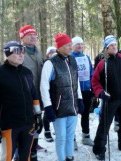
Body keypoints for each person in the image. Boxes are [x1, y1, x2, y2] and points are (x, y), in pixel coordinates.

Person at [91, 35, 121, 161]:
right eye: (111, 45)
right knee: (104, 125)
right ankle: (99, 149)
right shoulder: (103, 64)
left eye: (115, 45)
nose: (114, 47)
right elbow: (95, 82)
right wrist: (100, 93)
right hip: (110, 99)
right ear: (106, 48)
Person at [0, 41, 42, 161]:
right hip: (9, 125)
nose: (21, 55)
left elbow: (34, 96)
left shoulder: (27, 72)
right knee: (7, 157)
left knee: (26, 156)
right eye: (17, 51)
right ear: (7, 54)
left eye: (22, 51)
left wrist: (38, 115)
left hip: (28, 123)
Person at [40, 33, 84, 161]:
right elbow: (44, 86)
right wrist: (48, 107)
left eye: (71, 45)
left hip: (72, 106)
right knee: (61, 137)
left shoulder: (72, 60)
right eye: (68, 45)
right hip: (58, 108)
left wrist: (79, 99)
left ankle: (69, 157)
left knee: (70, 136)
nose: (71, 47)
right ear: (59, 47)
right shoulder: (50, 63)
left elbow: (76, 81)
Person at [19, 25, 44, 161]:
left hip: (38, 96)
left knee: (36, 123)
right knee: (25, 125)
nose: (33, 37)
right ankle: (20, 152)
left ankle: (33, 149)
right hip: (24, 97)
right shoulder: (19, 52)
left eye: (35, 34)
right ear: (22, 38)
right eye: (30, 35)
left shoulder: (38, 52)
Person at [71, 36, 94, 146]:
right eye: (77, 44)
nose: (79, 46)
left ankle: (86, 136)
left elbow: (91, 73)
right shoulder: (70, 57)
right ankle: (72, 139)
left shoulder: (86, 57)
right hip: (74, 92)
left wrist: (93, 88)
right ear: (72, 46)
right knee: (73, 115)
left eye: (81, 44)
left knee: (85, 114)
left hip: (86, 90)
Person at [43, 46, 57, 142]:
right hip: (48, 92)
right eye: (51, 52)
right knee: (47, 112)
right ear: (48, 54)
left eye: (54, 52)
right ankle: (47, 131)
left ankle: (57, 129)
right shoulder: (46, 64)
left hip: (58, 92)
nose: (53, 53)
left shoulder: (59, 62)